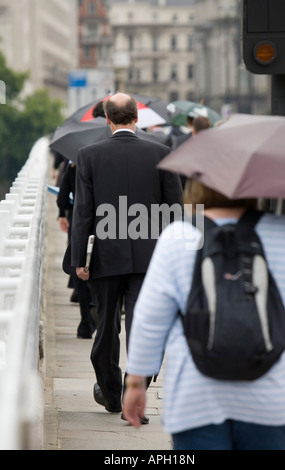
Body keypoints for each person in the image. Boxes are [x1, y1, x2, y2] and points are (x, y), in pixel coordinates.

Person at [123, 180, 285, 450]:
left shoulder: (177, 236)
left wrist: (136, 382)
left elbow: (150, 319)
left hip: (195, 396)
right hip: (270, 394)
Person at [70, 92, 183, 420]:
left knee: (106, 326)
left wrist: (80, 259)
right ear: (137, 118)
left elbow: (83, 212)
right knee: (146, 327)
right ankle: (136, 395)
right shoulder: (162, 153)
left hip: (105, 256)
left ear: (107, 119)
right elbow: (173, 212)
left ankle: (110, 391)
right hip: (151, 260)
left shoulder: (88, 155)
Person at [57, 162, 97, 339]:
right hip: (106, 222)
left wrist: (61, 213)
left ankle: (85, 321)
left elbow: (62, 199)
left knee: (80, 267)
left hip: (79, 222)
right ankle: (97, 307)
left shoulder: (74, 165)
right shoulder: (106, 162)